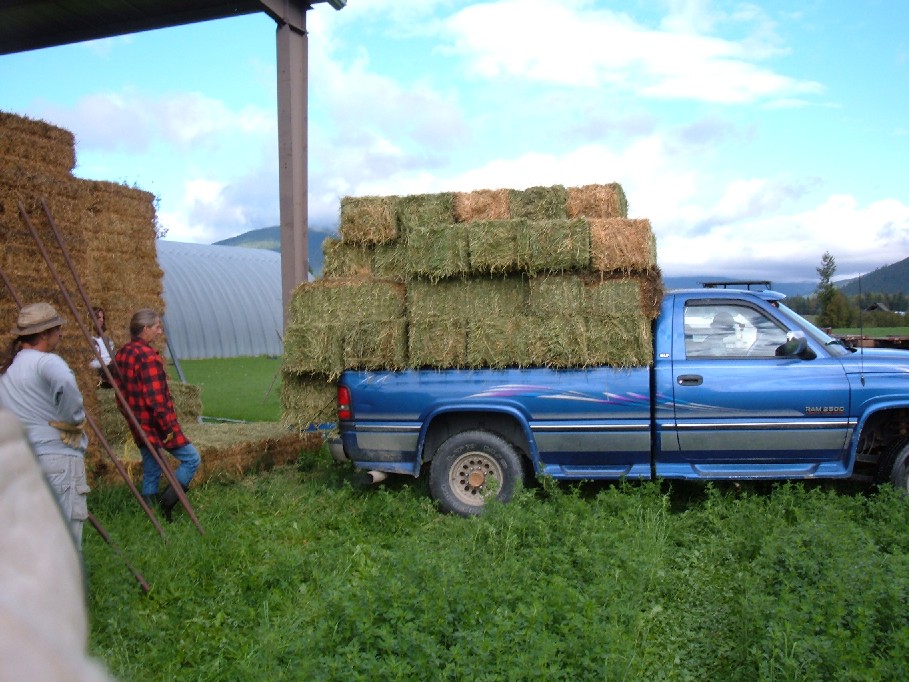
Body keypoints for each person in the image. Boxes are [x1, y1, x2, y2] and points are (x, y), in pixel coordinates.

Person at [0, 302, 90, 548]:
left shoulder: (8, 370)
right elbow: (64, 381)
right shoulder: (46, 362)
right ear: (43, 334)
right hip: (56, 460)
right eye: (57, 329)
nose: (60, 334)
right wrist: (71, 420)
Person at [114, 308, 200, 521]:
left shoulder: (123, 353)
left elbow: (119, 392)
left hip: (138, 421)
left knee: (152, 465)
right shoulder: (148, 358)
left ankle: (149, 508)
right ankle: (166, 503)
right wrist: (168, 427)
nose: (160, 332)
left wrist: (131, 416)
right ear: (145, 329)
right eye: (157, 327)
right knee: (192, 459)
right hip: (155, 424)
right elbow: (155, 400)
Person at [89, 306, 116, 387]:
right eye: (98, 318)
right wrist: (107, 364)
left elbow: (114, 355)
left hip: (111, 367)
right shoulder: (88, 340)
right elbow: (89, 364)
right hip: (100, 370)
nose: (101, 320)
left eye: (103, 318)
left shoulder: (107, 339)